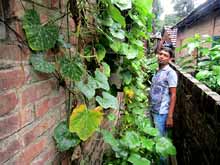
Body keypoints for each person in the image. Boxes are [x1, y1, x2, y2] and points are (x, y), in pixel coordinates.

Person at [149, 46, 177, 137]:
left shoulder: (170, 73)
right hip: (152, 109)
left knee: (160, 140)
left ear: (170, 59)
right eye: (160, 54)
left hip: (161, 113)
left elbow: (173, 95)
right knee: (153, 137)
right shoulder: (158, 71)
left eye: (165, 55)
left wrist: (170, 116)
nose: (161, 56)